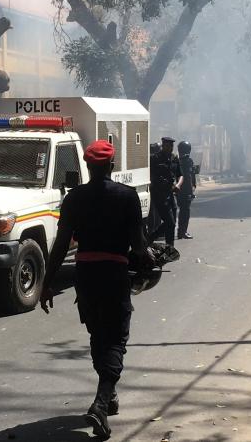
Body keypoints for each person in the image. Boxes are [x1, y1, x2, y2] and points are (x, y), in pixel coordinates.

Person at [40, 140, 145, 440]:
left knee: (98, 334)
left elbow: (61, 245)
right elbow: (138, 245)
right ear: (111, 166)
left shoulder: (74, 198)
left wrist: (47, 283)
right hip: (114, 273)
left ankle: (108, 395)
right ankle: (100, 404)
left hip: (85, 275)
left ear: (88, 167)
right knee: (115, 338)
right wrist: (149, 256)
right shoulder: (127, 196)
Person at [147, 137, 180, 247]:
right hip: (159, 194)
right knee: (169, 222)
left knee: (171, 223)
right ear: (163, 146)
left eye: (171, 146)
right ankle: (151, 238)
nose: (170, 148)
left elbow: (181, 174)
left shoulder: (174, 158)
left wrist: (178, 185)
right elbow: (149, 174)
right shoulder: (155, 158)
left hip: (171, 194)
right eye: (167, 146)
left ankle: (170, 246)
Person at [176, 141, 198, 240]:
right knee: (185, 211)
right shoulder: (187, 161)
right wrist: (192, 189)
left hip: (179, 189)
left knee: (182, 210)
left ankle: (181, 231)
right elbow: (189, 177)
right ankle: (182, 231)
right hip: (185, 190)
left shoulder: (177, 160)